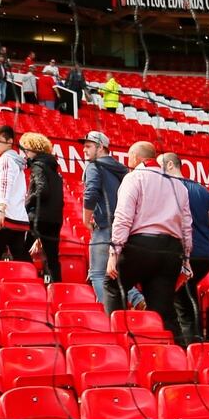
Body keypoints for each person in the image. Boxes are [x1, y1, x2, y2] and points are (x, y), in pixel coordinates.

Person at [109, 141, 193, 344]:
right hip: (171, 251)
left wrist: (114, 253)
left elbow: (123, 217)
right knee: (164, 310)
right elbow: (186, 226)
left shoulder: (134, 177)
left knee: (113, 285)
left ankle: (114, 342)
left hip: (141, 245)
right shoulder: (178, 185)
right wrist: (186, 259)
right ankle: (175, 356)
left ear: (136, 158)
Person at [162, 152, 209, 343]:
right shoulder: (201, 190)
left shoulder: (167, 189)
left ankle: (190, 348)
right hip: (205, 255)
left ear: (171, 165)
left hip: (183, 253)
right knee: (187, 296)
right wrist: (205, 238)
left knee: (182, 304)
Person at [82, 131, 128, 313]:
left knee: (98, 274)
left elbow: (91, 192)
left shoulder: (94, 166)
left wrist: (86, 219)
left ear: (100, 147)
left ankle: (108, 315)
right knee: (116, 274)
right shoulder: (121, 169)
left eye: (88, 146)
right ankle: (137, 300)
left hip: (105, 227)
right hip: (123, 226)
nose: (84, 149)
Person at [21, 132, 65, 283]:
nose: (25, 154)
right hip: (55, 219)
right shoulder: (54, 169)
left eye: (27, 150)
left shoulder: (38, 166)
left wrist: (26, 203)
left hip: (39, 217)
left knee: (21, 251)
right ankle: (58, 289)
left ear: (35, 150)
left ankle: (30, 282)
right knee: (53, 258)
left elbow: (42, 190)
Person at [0, 126, 31, 262]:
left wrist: (0, 210)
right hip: (18, 217)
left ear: (9, 141)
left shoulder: (6, 160)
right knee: (21, 258)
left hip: (5, 218)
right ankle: (32, 281)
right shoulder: (16, 161)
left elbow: (5, 185)